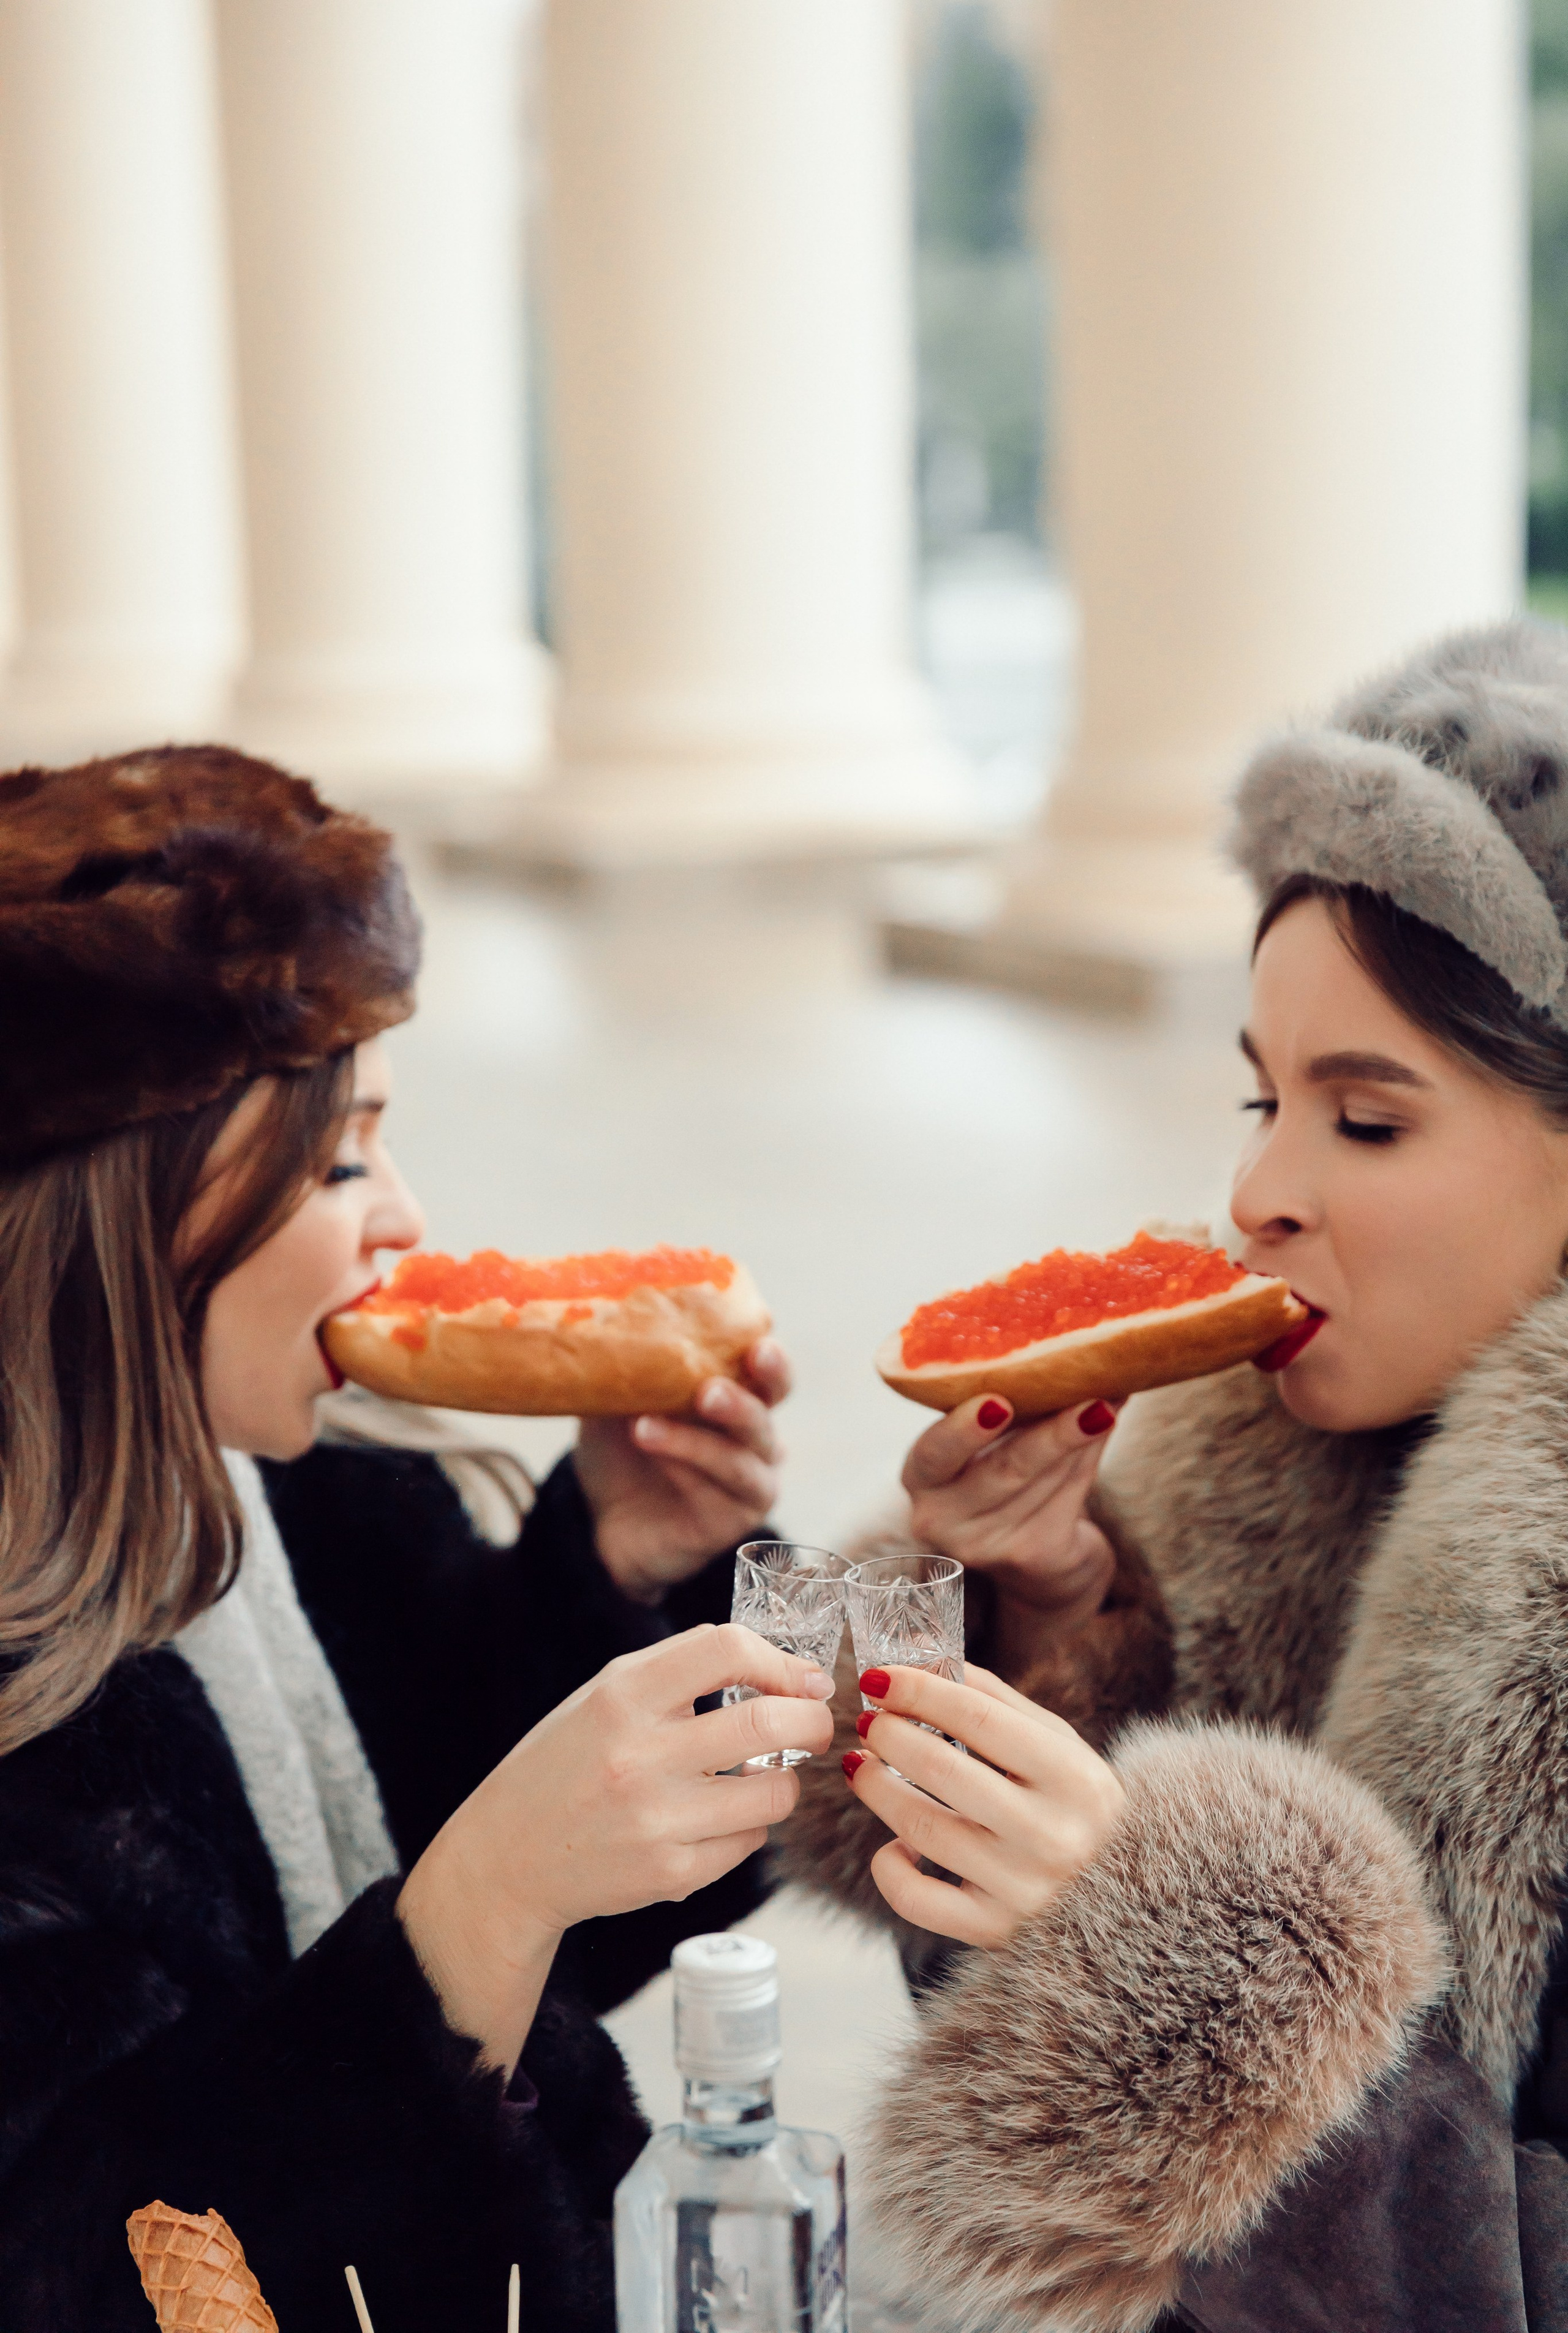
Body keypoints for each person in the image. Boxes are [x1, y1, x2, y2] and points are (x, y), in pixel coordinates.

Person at [780, 619, 1568, 2333]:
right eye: (1259, 1096)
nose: (1261, 1193)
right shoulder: (1250, 1474)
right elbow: (1041, 2126)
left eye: (1365, 1121)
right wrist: (1063, 1634)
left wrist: (1168, 1956)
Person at [0, 747, 834, 2332]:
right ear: (121, 1205)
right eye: (340, 1157)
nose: (406, 1222)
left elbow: (562, 1932)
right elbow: (83, 2266)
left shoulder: (318, 1498)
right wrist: (477, 1907)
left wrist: (615, 1569)